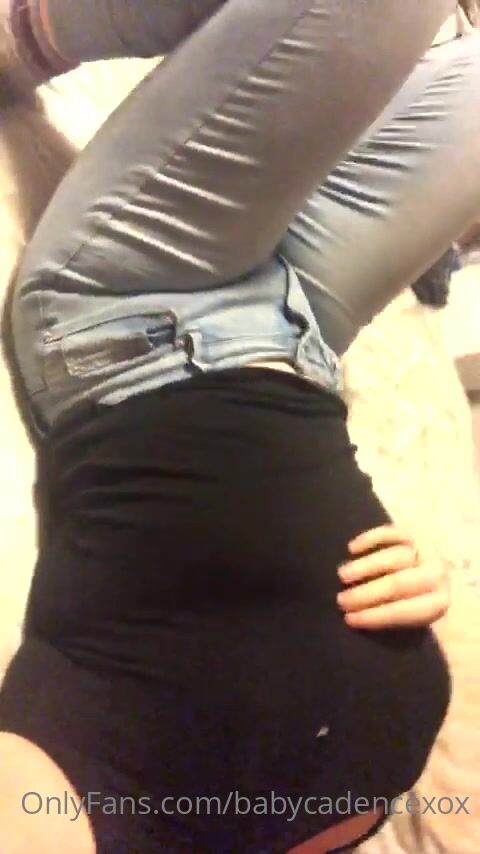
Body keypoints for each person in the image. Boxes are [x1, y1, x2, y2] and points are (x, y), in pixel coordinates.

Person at [0, 1, 474, 852]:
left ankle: (22, 35)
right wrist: (421, 571)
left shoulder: (83, 816)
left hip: (129, 314)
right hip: (302, 336)